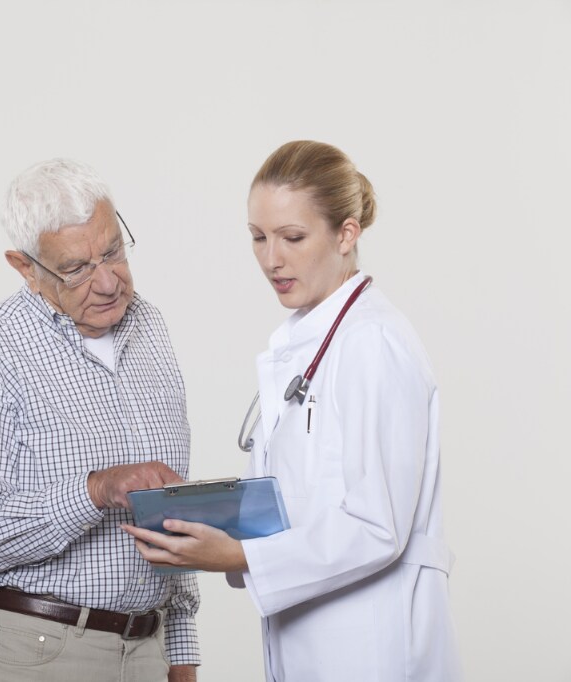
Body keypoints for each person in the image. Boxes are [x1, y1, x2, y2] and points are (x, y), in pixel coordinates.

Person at [124, 141, 461, 680]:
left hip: (372, 643)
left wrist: (240, 557)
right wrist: (215, 520)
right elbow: (297, 501)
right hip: (310, 637)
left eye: (292, 237)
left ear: (346, 234)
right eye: (258, 237)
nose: (271, 259)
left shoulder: (373, 342)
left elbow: (378, 526)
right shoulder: (306, 343)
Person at [0, 158, 200, 682]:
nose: (107, 282)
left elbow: (170, 507)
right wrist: (95, 490)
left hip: (147, 650)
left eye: (113, 252)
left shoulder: (149, 326)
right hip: (34, 652)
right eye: (77, 268)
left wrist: (181, 650)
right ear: (24, 266)